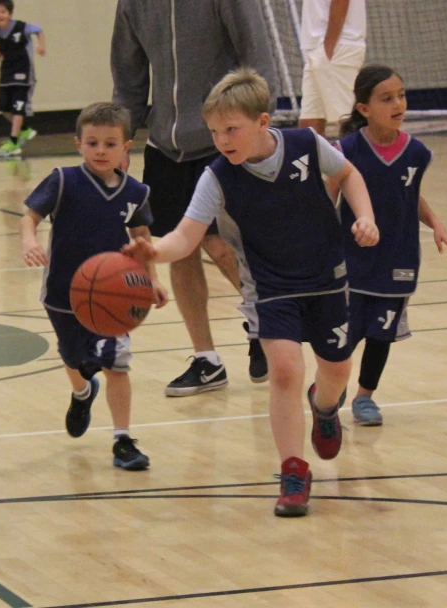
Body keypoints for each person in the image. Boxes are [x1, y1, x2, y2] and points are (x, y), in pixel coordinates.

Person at [123, 68, 379, 517]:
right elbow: (185, 237)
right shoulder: (217, 176)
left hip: (326, 278)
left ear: (263, 123)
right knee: (283, 370)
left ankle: (324, 407)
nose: (222, 140)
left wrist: (365, 217)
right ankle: (293, 472)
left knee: (337, 369)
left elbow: (351, 175)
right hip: (270, 286)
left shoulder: (304, 144)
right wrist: (154, 249)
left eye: (231, 129)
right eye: (215, 132)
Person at [110, 1, 278, 397]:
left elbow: (258, 59)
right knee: (178, 253)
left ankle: (265, 324)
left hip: (222, 142)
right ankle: (207, 360)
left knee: (221, 246)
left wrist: (254, 132)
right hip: (165, 147)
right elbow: (128, 76)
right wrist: (122, 137)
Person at [20, 102, 169, 470]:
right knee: (74, 358)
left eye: (109, 143)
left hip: (115, 296)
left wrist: (152, 277)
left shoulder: (135, 191)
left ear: (125, 148)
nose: (100, 151)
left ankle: (123, 440)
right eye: (92, 143)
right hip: (62, 292)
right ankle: (83, 392)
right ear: (78, 144)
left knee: (117, 365)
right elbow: (31, 215)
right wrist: (29, 241)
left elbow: (141, 236)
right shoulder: (63, 180)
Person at [331, 65, 447, 426]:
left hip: (399, 255)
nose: (398, 103)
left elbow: (411, 195)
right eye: (386, 98)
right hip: (353, 256)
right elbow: (328, 200)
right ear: (364, 109)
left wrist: (436, 224)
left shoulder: (416, 153)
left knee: (381, 332)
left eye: (401, 95)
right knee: (349, 330)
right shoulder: (347, 150)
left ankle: (364, 398)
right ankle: (331, 384)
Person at [298, 0, 367, 136]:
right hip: (318, 49)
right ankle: (315, 158)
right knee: (308, 125)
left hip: (338, 46)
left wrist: (328, 47)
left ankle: (364, 157)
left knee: (347, 121)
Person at [0, 0, 45, 157]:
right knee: (4, 108)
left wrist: (41, 45)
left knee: (18, 108)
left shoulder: (21, 27)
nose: (0, 15)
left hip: (23, 73)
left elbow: (39, 30)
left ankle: (13, 141)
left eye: (3, 12)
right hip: (6, 72)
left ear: (10, 13)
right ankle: (25, 130)